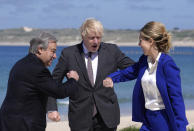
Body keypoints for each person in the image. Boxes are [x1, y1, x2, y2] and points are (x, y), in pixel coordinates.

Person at [47, 18, 134, 131]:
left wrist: (115, 78)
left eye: (98, 38)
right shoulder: (69, 54)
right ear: (83, 36)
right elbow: (53, 83)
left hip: (108, 117)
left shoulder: (112, 51)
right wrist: (52, 108)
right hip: (79, 118)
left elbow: (133, 69)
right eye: (92, 38)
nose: (96, 41)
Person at [103, 21, 188, 131]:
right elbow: (130, 71)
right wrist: (112, 78)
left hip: (163, 120)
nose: (139, 44)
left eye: (141, 40)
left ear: (151, 41)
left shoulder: (167, 65)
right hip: (148, 118)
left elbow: (177, 100)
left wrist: (181, 128)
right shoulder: (144, 60)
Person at [0, 32, 79, 131]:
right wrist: (73, 80)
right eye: (53, 51)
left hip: (10, 122)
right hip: (23, 125)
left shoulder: (21, 63)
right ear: (40, 50)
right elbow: (59, 91)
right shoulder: (37, 69)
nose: (55, 56)